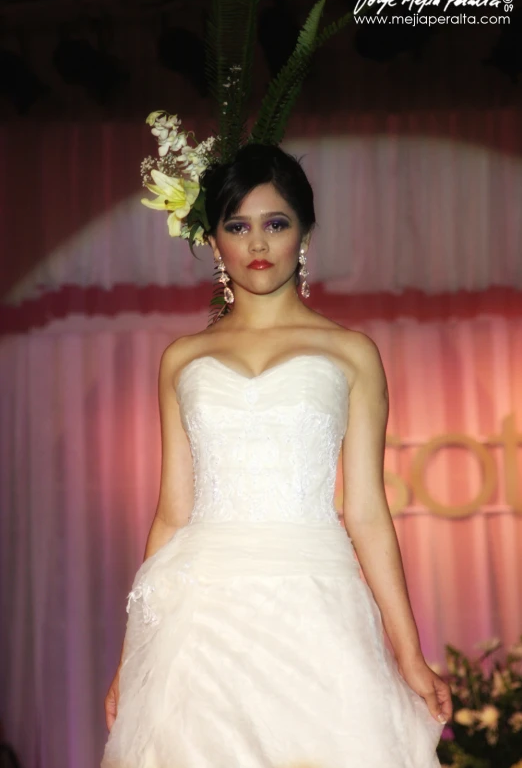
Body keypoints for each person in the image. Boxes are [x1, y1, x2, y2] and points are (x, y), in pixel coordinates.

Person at [101, 143, 452, 768]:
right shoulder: (182, 359)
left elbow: (367, 513)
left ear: (304, 234)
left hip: (315, 603)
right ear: (214, 242)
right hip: (203, 613)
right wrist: (135, 660)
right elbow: (172, 515)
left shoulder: (351, 354)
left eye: (276, 223)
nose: (256, 243)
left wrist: (409, 655)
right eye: (237, 225)